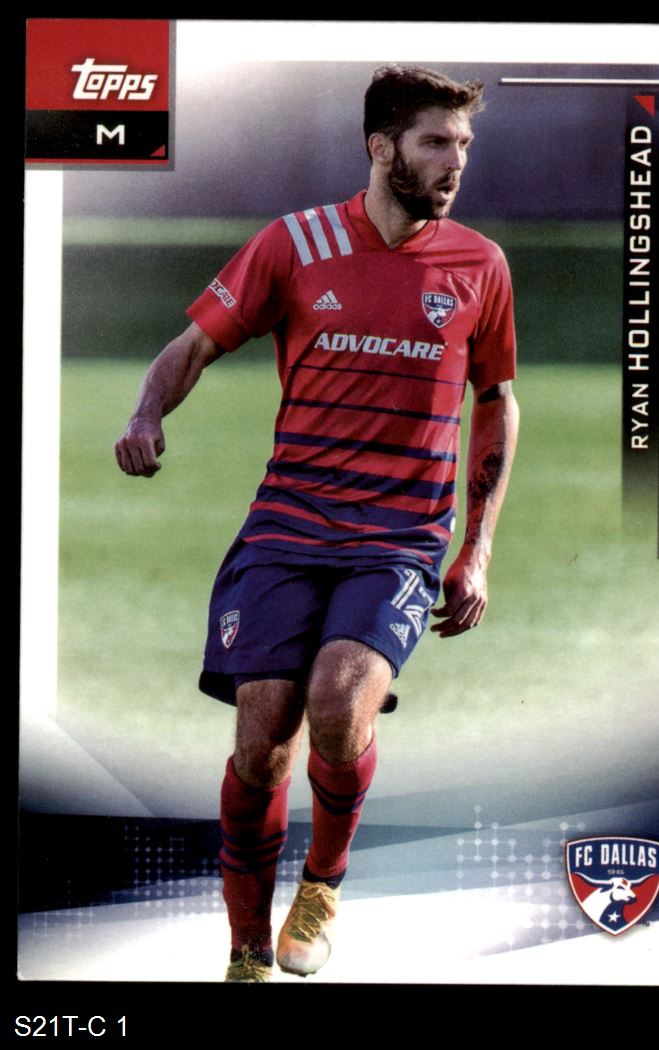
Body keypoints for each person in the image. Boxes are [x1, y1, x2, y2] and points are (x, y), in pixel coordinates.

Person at [115, 65, 519, 982]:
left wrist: (478, 547)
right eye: (434, 141)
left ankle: (323, 885)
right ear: (380, 147)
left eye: (462, 143)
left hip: (398, 540)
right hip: (286, 527)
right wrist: (145, 413)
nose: (455, 161)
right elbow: (195, 345)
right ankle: (245, 951)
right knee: (262, 740)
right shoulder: (294, 244)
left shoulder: (479, 265)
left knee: (338, 706)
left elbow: (496, 400)